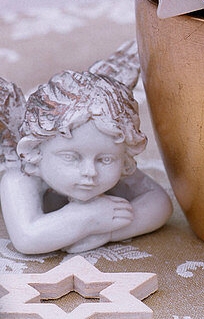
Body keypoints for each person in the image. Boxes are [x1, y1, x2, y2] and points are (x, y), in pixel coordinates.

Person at [0, 48, 171, 254]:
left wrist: (107, 233)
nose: (90, 171)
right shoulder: (21, 175)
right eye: (70, 157)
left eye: (105, 160)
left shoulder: (108, 149)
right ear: (37, 149)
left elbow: (161, 203)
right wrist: (86, 218)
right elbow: (27, 239)